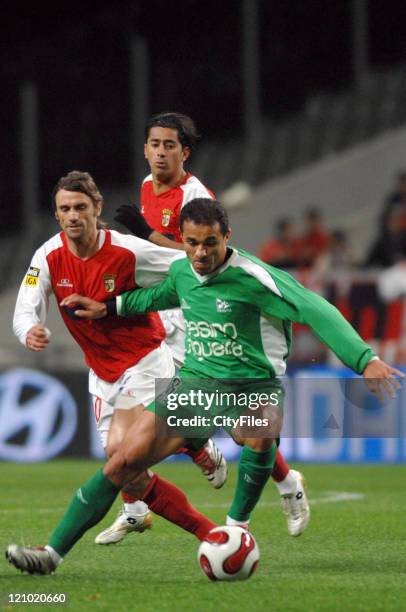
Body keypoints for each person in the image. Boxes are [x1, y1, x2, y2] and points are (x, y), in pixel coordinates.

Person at [6, 198, 402, 576]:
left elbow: (319, 310)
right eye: (192, 243)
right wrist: (108, 308)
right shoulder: (183, 269)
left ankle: (237, 529)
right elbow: (159, 295)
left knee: (262, 431)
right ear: (183, 238)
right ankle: (52, 554)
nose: (199, 253)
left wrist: (364, 359)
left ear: (227, 236)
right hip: (195, 386)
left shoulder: (254, 277)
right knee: (122, 463)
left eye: (209, 243)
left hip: (252, 385)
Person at [114, 111, 309, 537]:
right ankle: (142, 499)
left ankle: (284, 481)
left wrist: (146, 234)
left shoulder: (195, 194)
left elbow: (192, 253)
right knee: (167, 412)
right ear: (145, 149)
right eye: (155, 144)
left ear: (185, 152)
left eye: (170, 146)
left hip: (202, 315)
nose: (161, 153)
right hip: (169, 310)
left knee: (242, 429)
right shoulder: (148, 187)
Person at [10, 172, 224, 557]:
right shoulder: (47, 256)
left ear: (97, 209)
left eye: (80, 207)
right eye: (65, 209)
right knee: (128, 471)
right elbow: (25, 307)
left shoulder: (128, 251)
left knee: (124, 460)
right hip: (103, 373)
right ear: (57, 215)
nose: (73, 216)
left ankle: (52, 553)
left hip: (144, 361)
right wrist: (29, 331)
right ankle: (212, 533)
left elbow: (187, 263)